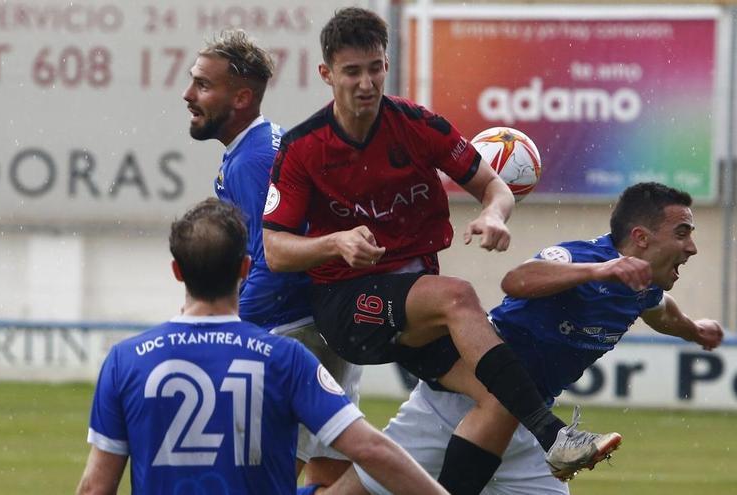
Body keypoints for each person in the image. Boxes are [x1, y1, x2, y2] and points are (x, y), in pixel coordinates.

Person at [262, 7, 589, 493]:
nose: (366, 82)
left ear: (386, 65)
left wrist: (494, 214)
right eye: (352, 72)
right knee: (456, 295)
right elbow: (275, 250)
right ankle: (552, 434)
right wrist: (336, 242)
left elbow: (494, 186)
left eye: (375, 67)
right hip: (348, 305)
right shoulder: (303, 147)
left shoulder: (418, 125)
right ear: (327, 74)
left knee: (499, 400)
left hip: (412, 306)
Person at [328, 181, 725, 494]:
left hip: (530, 431)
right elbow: (517, 279)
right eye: (682, 232)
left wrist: (695, 330)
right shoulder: (579, 257)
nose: (691, 246)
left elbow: (663, 311)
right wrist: (600, 271)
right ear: (641, 237)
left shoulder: (644, 287)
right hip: (461, 404)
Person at [75, 198, 447, 495]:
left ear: (177, 271)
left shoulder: (126, 361)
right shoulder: (283, 358)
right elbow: (371, 450)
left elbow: (96, 487)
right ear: (245, 268)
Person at [181, 29, 362, 485]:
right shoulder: (265, 145)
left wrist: (220, 322)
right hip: (322, 325)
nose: (188, 94)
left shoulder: (252, 160)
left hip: (294, 334)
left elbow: (275, 264)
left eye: (203, 84)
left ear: (241, 98)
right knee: (332, 471)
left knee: (255, 476)